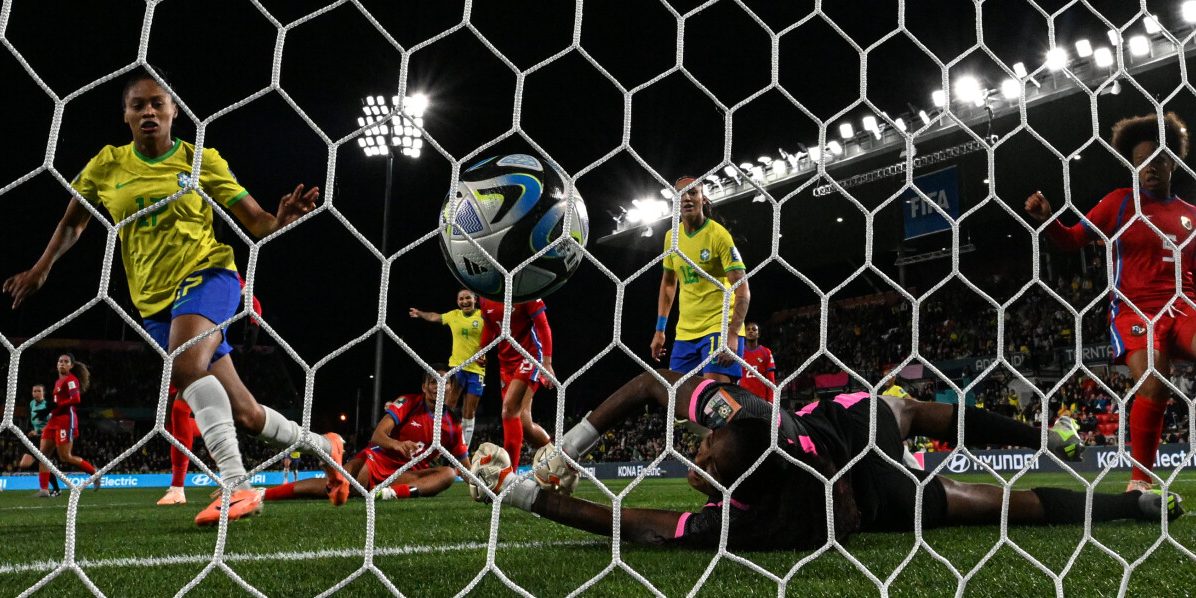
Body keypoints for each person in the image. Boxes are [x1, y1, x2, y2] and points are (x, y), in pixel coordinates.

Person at [2, 70, 346, 525]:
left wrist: (280, 219)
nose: (148, 111)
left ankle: (237, 488)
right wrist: (41, 268)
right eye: (138, 104)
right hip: (154, 303)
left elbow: (257, 223)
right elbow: (73, 223)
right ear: (124, 115)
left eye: (157, 103)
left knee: (184, 367)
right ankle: (327, 446)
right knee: (246, 414)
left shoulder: (201, 159)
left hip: (210, 277)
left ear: (173, 111)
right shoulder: (106, 165)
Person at [482, 370, 1180, 549]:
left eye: (706, 458)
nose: (693, 456)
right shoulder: (741, 429)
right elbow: (644, 387)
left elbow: (639, 525)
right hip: (861, 463)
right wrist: (561, 458)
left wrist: (530, 496)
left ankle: (1049, 445)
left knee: (912, 416)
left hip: (866, 462)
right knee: (993, 501)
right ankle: (1127, 499)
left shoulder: (753, 513)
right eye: (703, 448)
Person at [1025, 112, 1195, 492]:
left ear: (1172, 162)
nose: (1148, 169)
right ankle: (1139, 482)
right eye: (1140, 164)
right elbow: (1071, 240)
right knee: (1154, 383)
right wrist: (1048, 219)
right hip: (1135, 310)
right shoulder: (1119, 204)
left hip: (1184, 306)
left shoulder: (1191, 216)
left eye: (1156, 160)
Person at [262, 364, 469, 502]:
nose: (438, 386)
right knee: (341, 487)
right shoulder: (408, 402)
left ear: (451, 388)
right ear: (424, 387)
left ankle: (389, 494)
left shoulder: (453, 423)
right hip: (377, 460)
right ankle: (265, 493)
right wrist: (399, 445)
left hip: (407, 476)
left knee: (449, 474)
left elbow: (464, 464)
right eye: (433, 381)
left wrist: (486, 487)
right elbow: (377, 436)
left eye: (444, 381)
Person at [158, 274, 263, 506]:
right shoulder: (178, 262)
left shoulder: (219, 265)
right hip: (178, 345)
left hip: (205, 342)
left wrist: (254, 322)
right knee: (170, 425)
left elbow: (250, 297)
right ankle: (230, 472)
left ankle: (177, 488)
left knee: (179, 412)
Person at [651, 177, 750, 383]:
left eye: (692, 192)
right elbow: (669, 283)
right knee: (679, 401)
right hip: (685, 333)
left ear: (703, 199)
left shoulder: (718, 236)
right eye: (681, 194)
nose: (686, 198)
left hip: (718, 326)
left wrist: (732, 334)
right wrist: (660, 330)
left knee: (714, 401)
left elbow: (742, 289)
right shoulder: (672, 237)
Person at [478, 296, 554, 468]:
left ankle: (509, 475)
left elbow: (543, 326)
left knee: (509, 409)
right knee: (524, 425)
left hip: (530, 356)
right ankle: (558, 457)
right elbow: (489, 327)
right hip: (505, 363)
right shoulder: (485, 297)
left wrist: (547, 364)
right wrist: (482, 350)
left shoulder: (526, 292)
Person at [409, 288, 486, 448]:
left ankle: (462, 449)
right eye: (461, 299)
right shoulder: (454, 315)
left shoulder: (483, 316)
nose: (464, 301)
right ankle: (441, 441)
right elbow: (434, 316)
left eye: (467, 298)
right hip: (457, 367)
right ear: (458, 302)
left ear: (475, 300)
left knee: (469, 412)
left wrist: (484, 352)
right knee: (449, 405)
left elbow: (493, 334)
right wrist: (420, 313)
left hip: (477, 370)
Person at [36, 354, 100, 495]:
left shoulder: (71, 380)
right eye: (60, 361)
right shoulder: (58, 382)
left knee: (65, 456)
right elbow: (56, 403)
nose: (62, 364)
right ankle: (44, 490)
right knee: (42, 455)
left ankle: (94, 473)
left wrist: (56, 406)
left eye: (66, 362)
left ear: (71, 366)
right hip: (54, 420)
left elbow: (76, 399)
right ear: (57, 364)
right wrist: (50, 411)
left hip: (66, 420)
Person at [18, 384, 61, 496]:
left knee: (43, 462)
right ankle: (55, 488)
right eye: (34, 391)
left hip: (46, 437)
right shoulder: (32, 404)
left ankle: (51, 489)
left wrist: (38, 431)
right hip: (36, 438)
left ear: (43, 393)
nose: (36, 393)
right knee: (24, 464)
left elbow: (53, 423)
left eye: (39, 391)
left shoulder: (47, 405)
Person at [738, 322, 777, 402]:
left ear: (758, 334)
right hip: (743, 397)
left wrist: (771, 400)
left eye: (754, 329)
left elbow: (771, 379)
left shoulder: (766, 352)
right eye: (748, 329)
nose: (750, 331)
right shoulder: (739, 352)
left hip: (761, 398)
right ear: (744, 334)